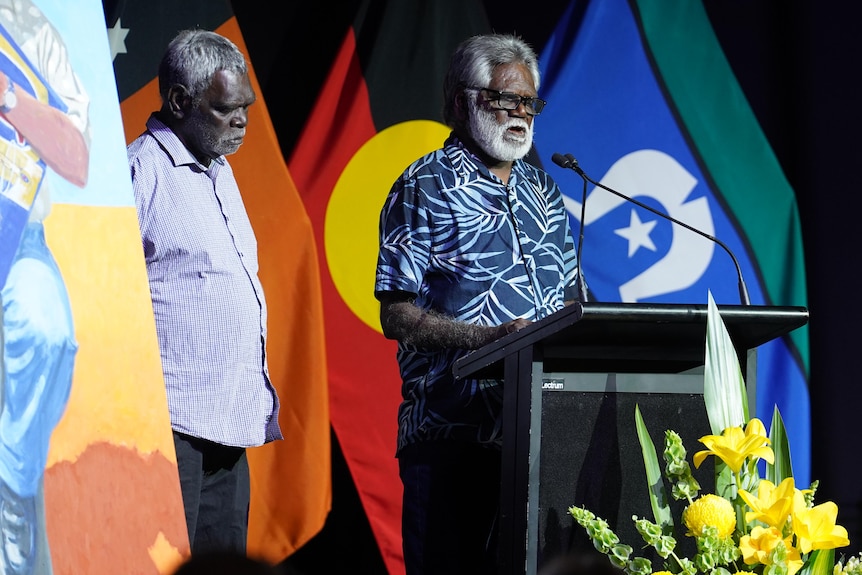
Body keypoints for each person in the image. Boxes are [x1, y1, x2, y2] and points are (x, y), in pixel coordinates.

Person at [374, 34, 580, 575]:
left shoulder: (546, 191)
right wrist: (484, 340)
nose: (521, 113)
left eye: (529, 102)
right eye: (505, 99)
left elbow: (573, 304)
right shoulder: (424, 186)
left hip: (541, 439)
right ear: (463, 100)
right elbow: (394, 313)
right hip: (452, 436)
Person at [127, 29, 281, 555]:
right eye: (225, 109)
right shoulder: (138, 173)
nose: (241, 120)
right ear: (178, 101)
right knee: (163, 559)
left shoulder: (220, 170)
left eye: (246, 107)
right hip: (167, 426)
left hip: (227, 421)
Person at [0, 0, 91, 572]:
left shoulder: (31, 30)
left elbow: (76, 160)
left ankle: (12, 488)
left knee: (48, 331)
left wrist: (9, 98)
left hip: (16, 235)